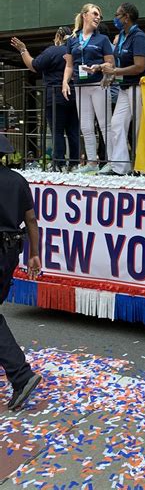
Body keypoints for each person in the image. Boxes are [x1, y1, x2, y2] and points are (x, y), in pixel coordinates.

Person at [0, 134, 42, 411]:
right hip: (10, 252)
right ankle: (20, 374)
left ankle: (21, 374)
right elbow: (30, 220)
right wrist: (35, 254)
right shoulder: (18, 180)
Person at [11, 27, 80, 172]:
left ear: (58, 37)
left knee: (57, 131)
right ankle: (74, 164)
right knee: (73, 131)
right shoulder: (76, 51)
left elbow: (34, 65)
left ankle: (59, 164)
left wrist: (23, 50)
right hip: (75, 95)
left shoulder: (53, 51)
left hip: (55, 97)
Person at [99, 2, 145, 175]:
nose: (115, 18)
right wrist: (110, 75)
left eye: (118, 15)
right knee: (116, 124)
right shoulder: (123, 35)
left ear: (126, 17)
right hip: (124, 87)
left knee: (139, 128)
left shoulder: (138, 36)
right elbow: (118, 63)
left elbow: (139, 66)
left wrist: (114, 71)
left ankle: (143, 167)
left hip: (138, 87)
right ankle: (120, 166)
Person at [62, 3, 115, 174]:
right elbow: (69, 65)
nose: (98, 17)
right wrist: (65, 82)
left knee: (105, 124)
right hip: (80, 86)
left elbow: (111, 64)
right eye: (94, 13)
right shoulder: (72, 40)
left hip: (99, 84)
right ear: (85, 15)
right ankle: (92, 162)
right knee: (85, 126)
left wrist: (98, 67)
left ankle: (113, 162)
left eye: (99, 15)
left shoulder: (103, 39)